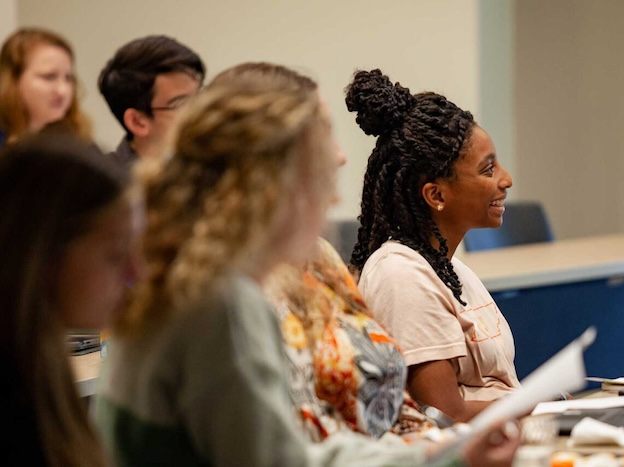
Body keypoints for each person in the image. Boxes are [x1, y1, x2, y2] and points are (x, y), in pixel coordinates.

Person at [96, 63, 517, 467]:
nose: (339, 158)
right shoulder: (215, 302)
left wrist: (437, 455)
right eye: (323, 137)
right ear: (273, 171)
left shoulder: (217, 281)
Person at [346, 69, 520, 424]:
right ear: (436, 195)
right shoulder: (400, 275)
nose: (506, 180)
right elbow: (442, 415)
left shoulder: (451, 269)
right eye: (488, 170)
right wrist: (544, 404)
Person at [0, 133, 143, 466]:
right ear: (44, 254)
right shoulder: (16, 396)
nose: (136, 274)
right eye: (116, 254)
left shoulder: (68, 344)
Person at [98, 35, 205, 164]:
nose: (202, 110)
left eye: (200, 96)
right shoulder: (107, 182)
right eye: (182, 103)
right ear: (137, 122)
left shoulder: (206, 169)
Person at [0, 27, 91, 147]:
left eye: (68, 78)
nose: (62, 91)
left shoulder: (79, 144)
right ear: (13, 80)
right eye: (49, 77)